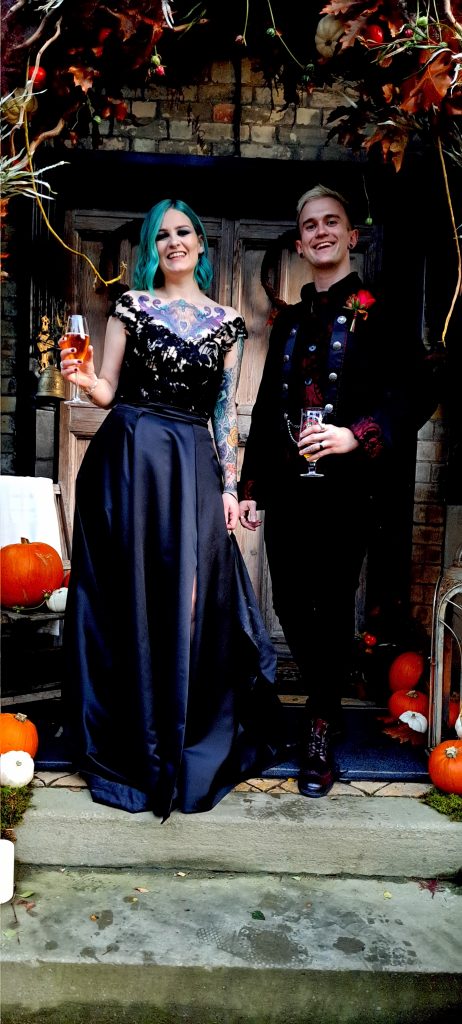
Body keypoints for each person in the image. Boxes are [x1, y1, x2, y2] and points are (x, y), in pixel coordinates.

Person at [60, 198, 282, 821]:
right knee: (128, 595)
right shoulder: (131, 306)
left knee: (189, 600)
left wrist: (231, 489)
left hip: (190, 462)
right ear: (152, 247)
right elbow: (106, 389)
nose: (174, 242)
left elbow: (223, 419)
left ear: (202, 245)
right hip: (129, 457)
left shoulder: (228, 324)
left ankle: (181, 733)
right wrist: (83, 382)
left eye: (184, 232)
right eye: (163, 234)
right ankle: (132, 736)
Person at [238, 184, 435, 798]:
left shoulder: (384, 311)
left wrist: (358, 435)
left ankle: (320, 723)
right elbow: (271, 405)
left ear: (352, 236)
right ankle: (326, 702)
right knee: (294, 606)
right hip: (292, 489)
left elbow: (417, 394)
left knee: (330, 605)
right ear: (300, 243)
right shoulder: (290, 321)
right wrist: (251, 486)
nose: (321, 231)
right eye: (310, 225)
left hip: (349, 492)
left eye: (332, 222)